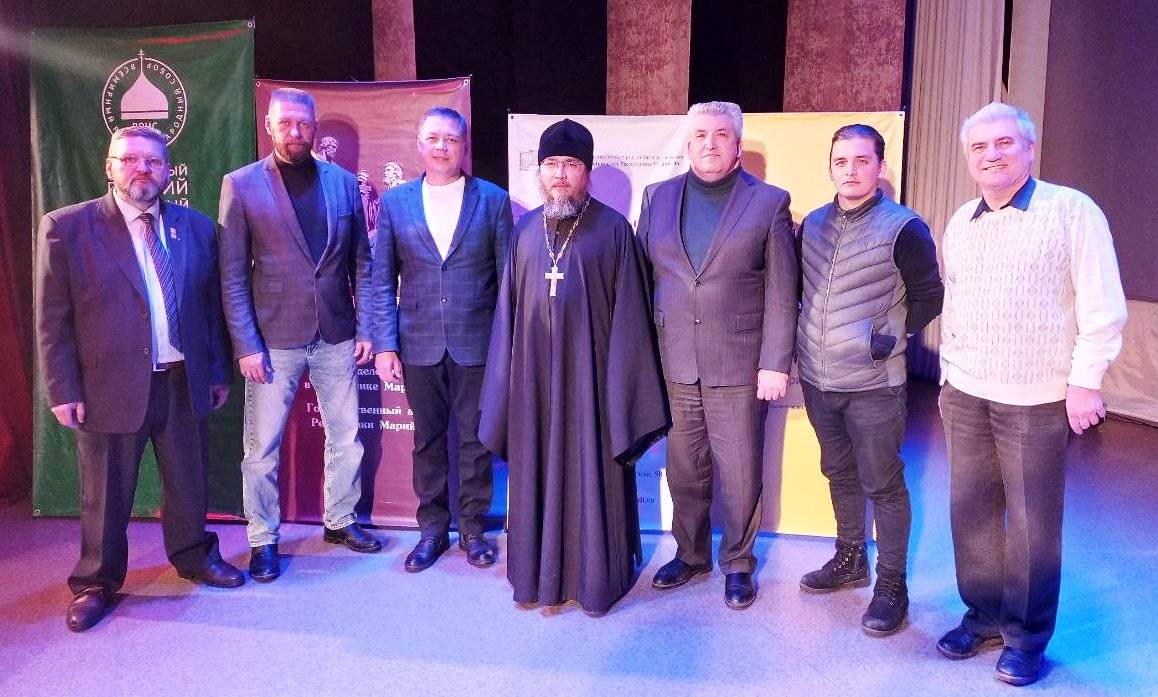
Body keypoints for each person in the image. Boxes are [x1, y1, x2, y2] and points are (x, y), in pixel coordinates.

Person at [936, 102, 1127, 686]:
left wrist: (1085, 381)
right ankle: (984, 615)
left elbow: (1102, 305)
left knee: (1031, 526)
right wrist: (947, 375)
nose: (991, 155)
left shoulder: (1071, 211)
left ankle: (1025, 637)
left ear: (1029, 148)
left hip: (1037, 398)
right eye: (979, 147)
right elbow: (956, 302)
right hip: (966, 392)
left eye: (1004, 143)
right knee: (971, 514)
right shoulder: (961, 220)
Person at [35, 125, 244, 632]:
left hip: (182, 379)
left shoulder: (196, 228)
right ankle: (95, 582)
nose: (141, 169)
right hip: (107, 385)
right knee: (105, 494)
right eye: (129, 159)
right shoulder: (68, 227)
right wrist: (62, 389)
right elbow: (51, 318)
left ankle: (194, 556)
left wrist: (216, 371)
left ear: (168, 171)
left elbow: (210, 309)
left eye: (152, 161)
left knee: (189, 481)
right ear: (109, 168)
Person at [479, 119, 669, 616]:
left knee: (591, 471)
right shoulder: (524, 232)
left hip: (592, 387)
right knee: (536, 469)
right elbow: (507, 319)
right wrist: (505, 387)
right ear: (539, 171)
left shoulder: (613, 230)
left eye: (570, 164)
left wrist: (623, 396)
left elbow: (631, 319)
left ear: (587, 171)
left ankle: (595, 580)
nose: (559, 174)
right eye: (551, 164)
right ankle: (535, 576)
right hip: (534, 389)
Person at [637, 101, 797, 609]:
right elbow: (642, 280)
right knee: (685, 469)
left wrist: (775, 362)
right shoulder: (657, 197)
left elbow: (782, 290)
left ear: (737, 144)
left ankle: (738, 562)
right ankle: (690, 554)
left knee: (742, 471)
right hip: (674, 361)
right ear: (688, 143)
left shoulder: (768, 202)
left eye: (721, 134)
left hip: (740, 363)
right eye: (701, 134)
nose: (710, 143)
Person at [219, 87, 381, 583]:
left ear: (314, 128)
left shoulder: (343, 183)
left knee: (347, 436)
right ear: (270, 125)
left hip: (336, 332)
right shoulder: (241, 184)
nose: (295, 131)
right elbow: (232, 274)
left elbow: (361, 262)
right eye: (285, 123)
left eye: (304, 124)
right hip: (272, 340)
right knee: (261, 449)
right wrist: (246, 344)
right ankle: (263, 538)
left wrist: (367, 326)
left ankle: (340, 519)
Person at [795, 124, 943, 635]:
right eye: (841, 161)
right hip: (818, 377)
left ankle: (892, 585)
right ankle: (850, 558)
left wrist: (887, 337)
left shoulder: (904, 227)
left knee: (883, 482)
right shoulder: (812, 224)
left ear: (880, 167)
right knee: (839, 472)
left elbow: (930, 296)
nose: (851, 170)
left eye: (862, 161)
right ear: (830, 167)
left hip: (875, 383)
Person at [373, 107, 513, 571]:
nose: (441, 146)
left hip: (478, 343)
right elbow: (381, 279)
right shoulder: (395, 203)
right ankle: (432, 530)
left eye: (451, 139)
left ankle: (473, 529)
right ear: (419, 144)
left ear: (464, 146)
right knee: (427, 442)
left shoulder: (492, 200)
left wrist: (506, 346)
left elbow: (508, 281)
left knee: (476, 441)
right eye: (433, 138)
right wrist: (385, 344)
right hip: (418, 343)